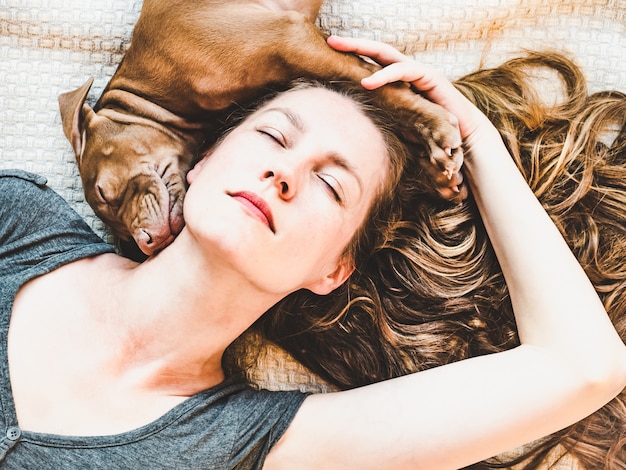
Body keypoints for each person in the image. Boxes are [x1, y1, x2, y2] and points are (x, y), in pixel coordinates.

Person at [0, 37, 624, 470]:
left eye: (331, 185)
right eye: (274, 135)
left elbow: (582, 365)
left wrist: (472, 135)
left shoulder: (248, 445)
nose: (284, 173)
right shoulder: (18, 220)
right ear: (204, 162)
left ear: (333, 269)